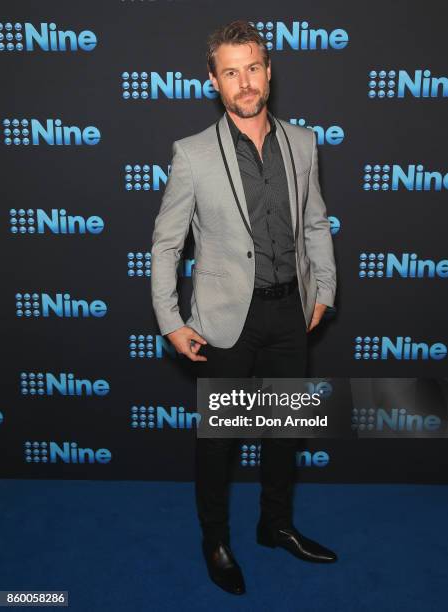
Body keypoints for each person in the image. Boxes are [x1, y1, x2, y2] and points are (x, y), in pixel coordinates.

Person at [151, 20, 338, 595]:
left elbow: (313, 221)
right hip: (227, 320)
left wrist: (324, 288)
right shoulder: (192, 155)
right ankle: (216, 539)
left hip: (290, 312)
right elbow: (166, 243)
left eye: (252, 68)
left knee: (283, 431)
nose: (244, 81)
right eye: (230, 72)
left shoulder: (303, 142)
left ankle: (274, 524)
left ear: (268, 71)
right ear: (214, 81)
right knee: (220, 441)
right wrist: (171, 320)